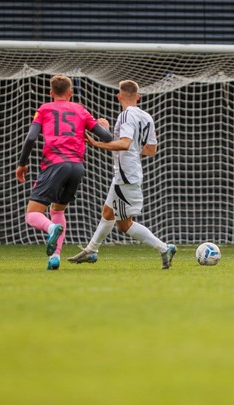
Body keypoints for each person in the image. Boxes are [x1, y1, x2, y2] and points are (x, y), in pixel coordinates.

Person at [68, 80, 176, 269]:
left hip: (126, 175)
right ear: (138, 96)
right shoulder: (146, 116)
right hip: (127, 173)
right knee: (108, 213)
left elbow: (125, 144)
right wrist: (121, 142)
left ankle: (164, 247)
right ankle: (91, 250)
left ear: (118, 96)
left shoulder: (126, 115)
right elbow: (151, 150)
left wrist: (97, 143)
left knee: (124, 225)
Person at [15, 74, 113, 270]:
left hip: (54, 164)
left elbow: (31, 138)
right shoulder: (80, 110)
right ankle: (55, 258)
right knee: (57, 210)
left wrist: (22, 164)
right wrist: (106, 127)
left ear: (51, 93)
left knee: (32, 214)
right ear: (70, 92)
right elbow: (107, 137)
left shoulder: (44, 109)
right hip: (77, 167)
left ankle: (51, 228)